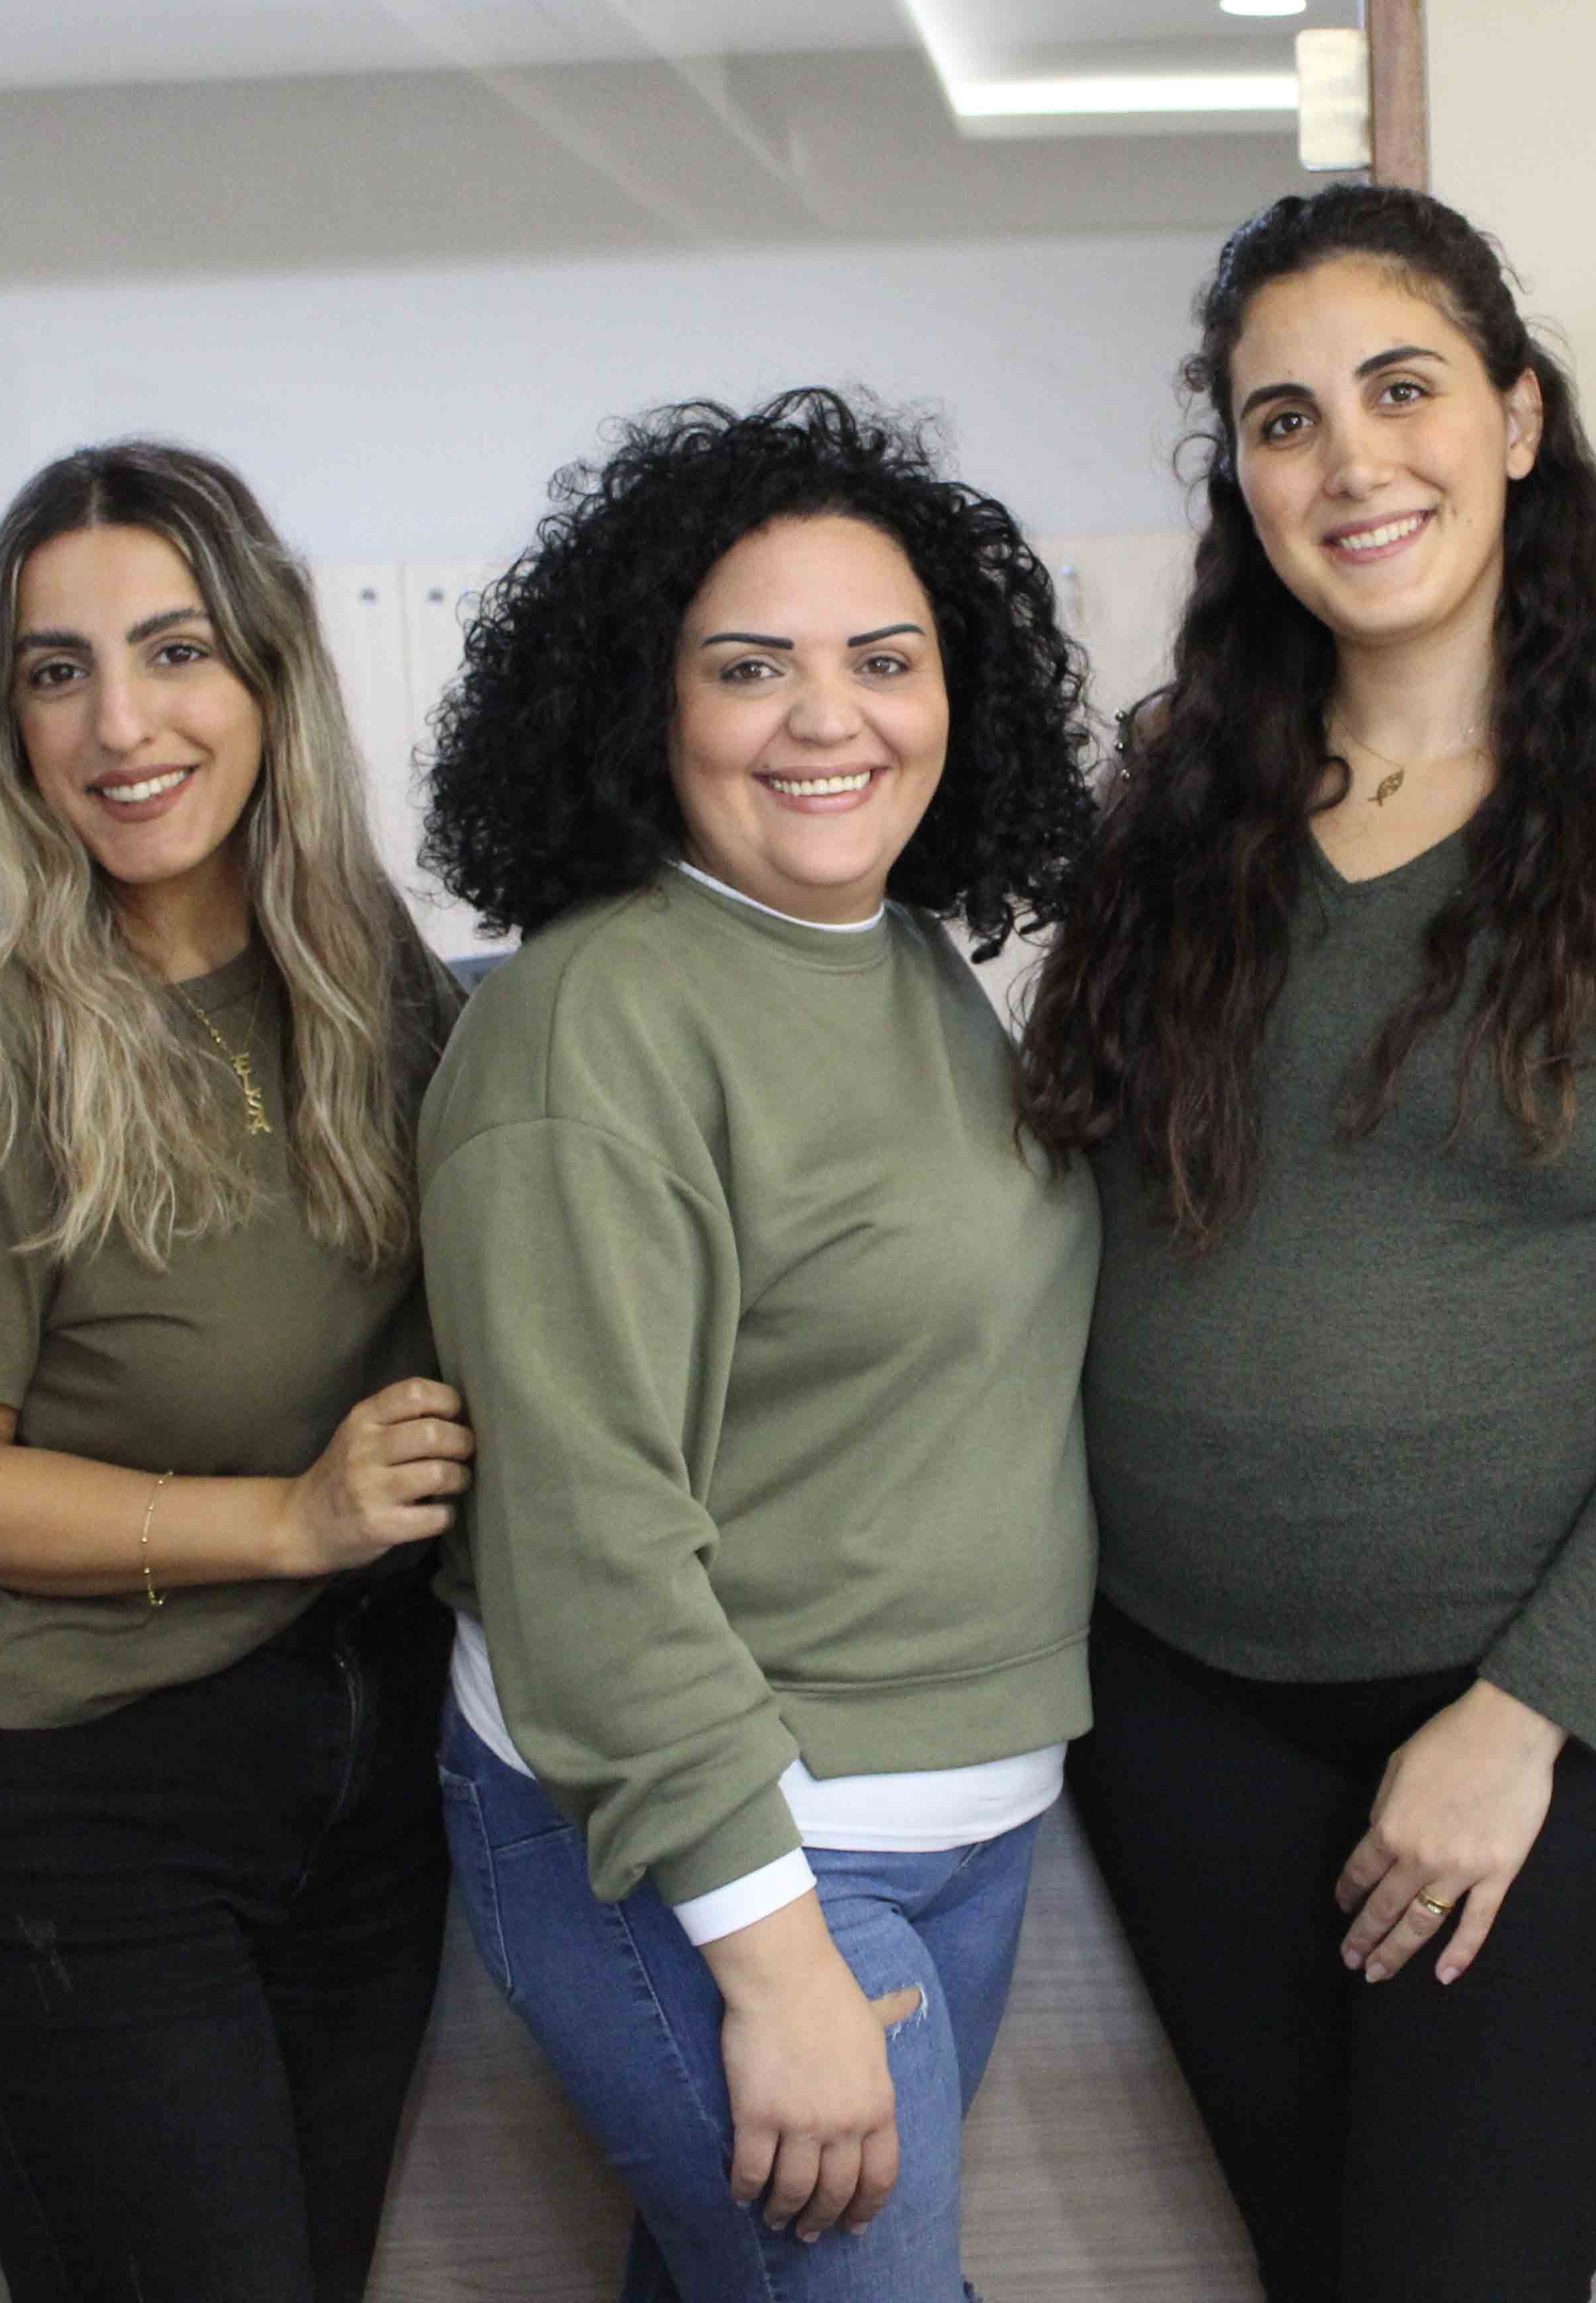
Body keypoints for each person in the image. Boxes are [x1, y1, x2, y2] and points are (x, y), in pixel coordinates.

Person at [1016, 185, 1596, 2302]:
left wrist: (1524, 1714)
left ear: (1518, 419)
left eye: (1403, 391)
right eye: (1283, 421)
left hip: (1539, 1709)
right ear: (1240, 479)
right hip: (1176, 1712)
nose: (1350, 462)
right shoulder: (1171, 815)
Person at [413, 388, 1100, 2302]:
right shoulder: (597, 1022)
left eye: (884, 660)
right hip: (739, 1849)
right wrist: (777, 1952)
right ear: (645, 706)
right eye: (749, 668)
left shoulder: (904, 959)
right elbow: (585, 1529)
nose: (828, 719)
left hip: (955, 1819)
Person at [0, 440, 470, 2303]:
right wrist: (292, 1521)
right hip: (62, 1804)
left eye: (175, 651)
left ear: (269, 675)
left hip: (353, 1772)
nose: (121, 724)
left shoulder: (376, 984)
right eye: (59, 671)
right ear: (8, 725)